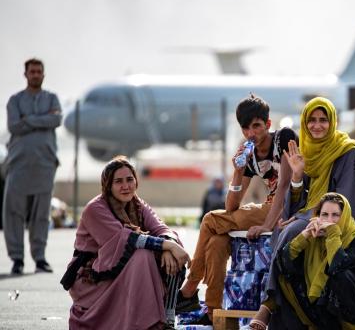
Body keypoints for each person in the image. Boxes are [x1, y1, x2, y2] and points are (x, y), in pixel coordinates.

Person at [178, 94, 297, 320]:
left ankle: (191, 285)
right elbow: (231, 206)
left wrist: (265, 225)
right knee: (216, 242)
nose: (252, 133)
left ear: (268, 124)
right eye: (246, 129)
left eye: (256, 126)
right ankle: (212, 311)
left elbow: (284, 187)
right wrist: (238, 171)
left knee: (210, 220)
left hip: (288, 208)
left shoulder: (284, 138)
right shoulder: (250, 153)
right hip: (269, 207)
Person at [250, 97, 355, 329]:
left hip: (332, 217)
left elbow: (344, 198)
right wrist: (298, 177)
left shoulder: (345, 151)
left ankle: (268, 304)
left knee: (291, 230)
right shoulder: (304, 150)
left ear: (332, 122)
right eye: (311, 120)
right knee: (284, 229)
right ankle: (284, 310)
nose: (317, 126)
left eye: (323, 120)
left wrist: (307, 216)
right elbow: (294, 201)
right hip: (305, 216)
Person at [61, 156, 191, 329]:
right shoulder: (96, 208)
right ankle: (147, 324)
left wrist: (169, 246)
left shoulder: (137, 205)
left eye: (130, 180)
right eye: (118, 181)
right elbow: (127, 239)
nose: (125, 186)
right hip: (92, 277)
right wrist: (168, 245)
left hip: (123, 271)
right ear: (108, 185)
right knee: (143, 255)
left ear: (136, 182)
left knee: (170, 255)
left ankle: (167, 321)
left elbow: (162, 229)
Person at [274, 192, 355, 330]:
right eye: (324, 215)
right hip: (325, 311)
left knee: (339, 275)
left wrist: (333, 233)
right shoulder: (314, 238)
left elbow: (337, 266)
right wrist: (304, 236)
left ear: (344, 216)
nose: (329, 220)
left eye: (335, 215)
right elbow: (283, 262)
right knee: (285, 275)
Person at [4, 58, 61, 275]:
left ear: (43, 75)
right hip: (19, 165)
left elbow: (56, 120)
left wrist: (30, 119)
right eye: (32, 71)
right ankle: (17, 258)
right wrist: (42, 119)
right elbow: (14, 125)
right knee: (13, 213)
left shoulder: (52, 98)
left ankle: (40, 258)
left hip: (45, 165)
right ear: (25, 74)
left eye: (39, 71)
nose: (36, 75)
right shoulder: (15, 101)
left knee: (41, 215)